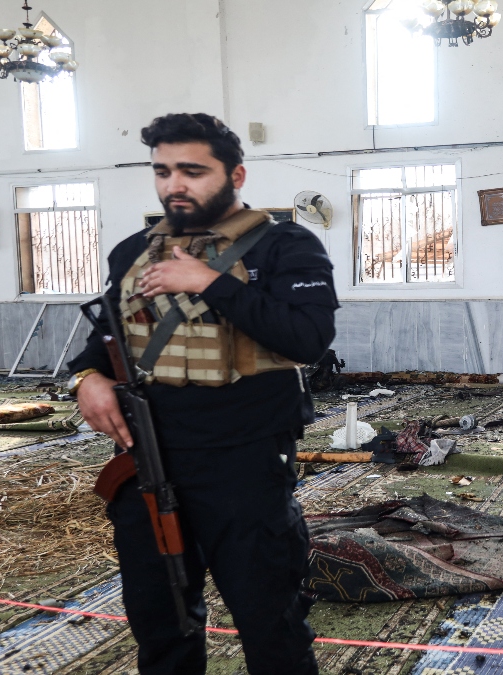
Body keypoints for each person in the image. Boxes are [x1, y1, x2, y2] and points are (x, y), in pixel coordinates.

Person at [67, 113, 337, 675]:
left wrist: (208, 283)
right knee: (158, 617)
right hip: (148, 458)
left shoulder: (286, 246)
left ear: (235, 174)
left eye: (192, 171)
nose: (174, 185)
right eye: (163, 171)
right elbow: (107, 338)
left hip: (246, 462)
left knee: (271, 617)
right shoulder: (133, 252)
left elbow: (307, 340)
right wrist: (85, 379)